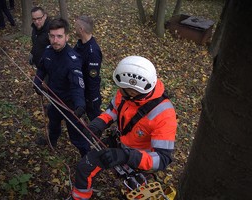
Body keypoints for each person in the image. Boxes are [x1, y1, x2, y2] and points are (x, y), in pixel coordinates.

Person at [71, 56, 178, 199]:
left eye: (123, 90)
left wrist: (126, 156)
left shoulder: (164, 115)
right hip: (121, 145)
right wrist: (99, 123)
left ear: (134, 92)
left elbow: (162, 159)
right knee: (85, 166)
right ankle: (79, 197)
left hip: (140, 160)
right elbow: (113, 110)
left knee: (135, 194)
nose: (119, 91)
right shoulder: (126, 94)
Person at [33, 18, 90, 157]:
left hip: (70, 105)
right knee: (53, 123)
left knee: (77, 137)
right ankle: (52, 141)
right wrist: (37, 82)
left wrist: (80, 105)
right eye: (52, 36)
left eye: (59, 36)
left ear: (67, 37)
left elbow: (77, 86)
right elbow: (41, 69)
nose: (55, 40)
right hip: (54, 99)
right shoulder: (48, 52)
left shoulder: (72, 60)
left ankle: (87, 159)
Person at [73, 15, 103, 121]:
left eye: (76, 26)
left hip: (89, 95)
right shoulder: (79, 45)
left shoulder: (93, 52)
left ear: (81, 30)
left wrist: (92, 100)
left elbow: (93, 79)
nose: (74, 28)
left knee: (94, 122)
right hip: (78, 90)